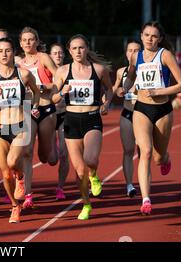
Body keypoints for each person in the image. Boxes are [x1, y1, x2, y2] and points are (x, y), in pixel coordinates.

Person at [124, 22, 181, 215]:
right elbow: (131, 77)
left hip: (163, 110)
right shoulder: (136, 56)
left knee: (159, 157)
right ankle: (146, 200)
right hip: (141, 108)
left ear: (159, 39)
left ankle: (166, 158)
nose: (150, 39)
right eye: (146, 35)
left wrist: (161, 91)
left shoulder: (165, 55)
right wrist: (124, 87)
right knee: (146, 152)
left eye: (154, 36)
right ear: (141, 36)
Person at [51, 34, 113, 220]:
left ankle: (94, 176)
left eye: (81, 48)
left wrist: (106, 103)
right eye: (74, 48)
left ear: (87, 49)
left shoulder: (99, 70)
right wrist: (62, 92)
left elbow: (109, 89)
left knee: (91, 159)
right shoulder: (62, 71)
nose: (78, 51)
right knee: (79, 171)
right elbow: (53, 99)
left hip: (92, 117)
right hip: (71, 119)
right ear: (70, 51)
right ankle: (86, 204)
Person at [0, 37, 39, 223]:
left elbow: (36, 92)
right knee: (5, 173)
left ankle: (21, 178)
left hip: (21, 124)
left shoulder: (24, 74)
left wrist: (34, 106)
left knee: (13, 161)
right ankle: (15, 206)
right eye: (0, 51)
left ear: (13, 52)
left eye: (7, 50)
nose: (4, 54)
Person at [17, 27, 58, 208]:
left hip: (45, 107)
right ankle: (28, 194)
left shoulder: (44, 58)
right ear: (20, 43)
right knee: (26, 151)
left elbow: (59, 78)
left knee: (45, 157)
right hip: (27, 109)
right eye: (24, 40)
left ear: (37, 41)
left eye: (31, 39)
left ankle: (50, 143)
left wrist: (42, 87)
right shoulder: (18, 63)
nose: (27, 42)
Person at [112, 40, 142, 198]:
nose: (133, 53)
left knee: (144, 151)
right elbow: (116, 87)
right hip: (127, 113)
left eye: (136, 50)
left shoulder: (146, 69)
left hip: (144, 114)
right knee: (128, 151)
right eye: (130, 50)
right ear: (126, 53)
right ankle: (129, 185)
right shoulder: (121, 71)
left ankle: (144, 181)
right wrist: (117, 92)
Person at [49, 42, 70, 200]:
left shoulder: (69, 71)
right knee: (51, 159)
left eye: (60, 53)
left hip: (66, 115)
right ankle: (53, 146)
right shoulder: (45, 73)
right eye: (55, 53)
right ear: (49, 56)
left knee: (64, 155)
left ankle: (60, 187)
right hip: (50, 115)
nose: (58, 55)